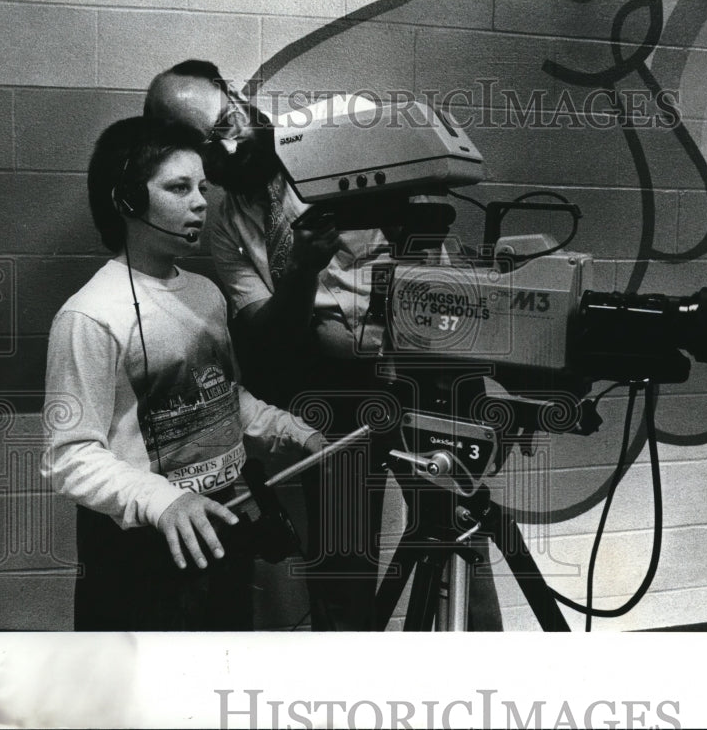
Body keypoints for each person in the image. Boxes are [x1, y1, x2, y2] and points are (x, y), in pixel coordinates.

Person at [144, 61, 503, 631]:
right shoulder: (225, 225)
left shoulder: (341, 137)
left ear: (237, 97)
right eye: (208, 143)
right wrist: (302, 272)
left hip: (429, 368)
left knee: (457, 525)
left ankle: (480, 667)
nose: (232, 143)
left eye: (227, 121)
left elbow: (437, 222)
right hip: (332, 391)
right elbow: (265, 332)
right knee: (341, 558)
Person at [42, 116, 325, 631]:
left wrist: (289, 431)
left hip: (221, 526)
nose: (201, 202)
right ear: (127, 200)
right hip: (144, 548)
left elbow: (221, 396)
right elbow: (70, 456)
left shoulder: (205, 293)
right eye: (179, 188)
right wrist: (161, 500)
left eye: (202, 187)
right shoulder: (89, 316)